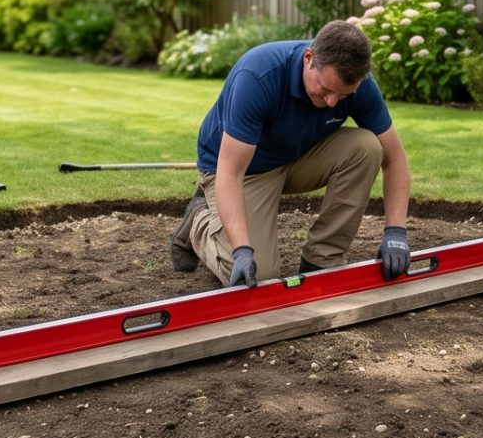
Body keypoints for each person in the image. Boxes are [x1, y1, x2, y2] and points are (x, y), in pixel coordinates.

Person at [170, 18, 412, 287]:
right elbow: (231, 171)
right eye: (326, 89)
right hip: (243, 170)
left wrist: (396, 232)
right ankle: (200, 224)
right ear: (309, 57)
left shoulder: (359, 86)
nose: (332, 102)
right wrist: (241, 250)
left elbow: (396, 159)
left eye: (343, 96)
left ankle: (323, 259)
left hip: (296, 155)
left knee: (367, 147)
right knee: (258, 277)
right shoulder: (258, 76)